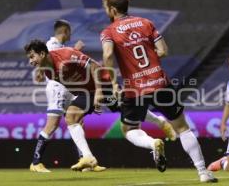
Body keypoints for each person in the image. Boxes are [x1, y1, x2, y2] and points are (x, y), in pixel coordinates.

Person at [29, 19, 176, 173]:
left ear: (42, 53)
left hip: (102, 84)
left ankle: (159, 122)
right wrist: (86, 103)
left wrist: (99, 92)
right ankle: (88, 158)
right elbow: (71, 83)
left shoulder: (64, 54)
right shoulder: (49, 70)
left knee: (126, 110)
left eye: (32, 57)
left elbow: (94, 66)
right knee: (72, 117)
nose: (30, 61)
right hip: (88, 91)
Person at [101, 0, 217, 182]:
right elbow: (163, 50)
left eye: (106, 8)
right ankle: (203, 172)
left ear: (112, 9)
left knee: (129, 129)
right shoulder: (146, 23)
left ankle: (152, 143)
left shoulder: (109, 31)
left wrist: (114, 83)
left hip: (134, 87)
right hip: (160, 82)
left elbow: (106, 55)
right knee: (182, 128)